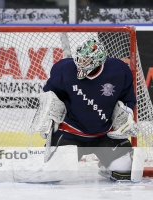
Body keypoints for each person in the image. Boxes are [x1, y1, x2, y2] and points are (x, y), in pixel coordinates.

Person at [41, 38, 138, 181]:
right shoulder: (64, 70)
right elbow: (49, 96)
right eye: (79, 59)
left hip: (105, 135)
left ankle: (107, 165)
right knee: (52, 173)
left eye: (86, 61)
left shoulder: (118, 71)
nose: (80, 63)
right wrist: (49, 115)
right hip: (70, 134)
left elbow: (128, 98)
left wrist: (127, 114)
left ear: (98, 60)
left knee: (123, 169)